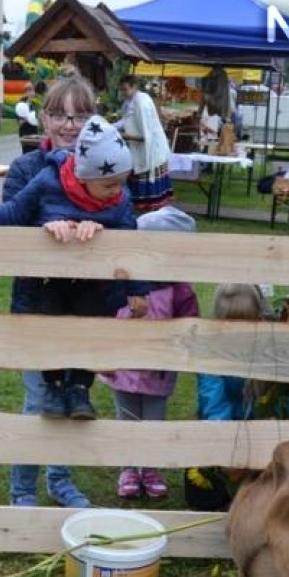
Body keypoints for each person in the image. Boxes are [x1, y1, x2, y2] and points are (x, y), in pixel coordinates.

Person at [0, 116, 151, 423]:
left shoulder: (119, 199)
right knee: (47, 324)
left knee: (91, 325)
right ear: (84, 175)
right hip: (49, 279)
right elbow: (16, 211)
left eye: (122, 182)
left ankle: (79, 388)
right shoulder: (48, 181)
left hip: (93, 284)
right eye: (109, 184)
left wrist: (137, 289)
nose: (117, 191)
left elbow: (129, 244)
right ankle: (52, 386)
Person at [0, 78, 97, 508]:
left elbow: (122, 218)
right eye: (60, 114)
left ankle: (59, 479)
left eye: (80, 116)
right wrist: (45, 230)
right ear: (44, 118)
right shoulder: (26, 169)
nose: (69, 125)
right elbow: (11, 222)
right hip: (35, 302)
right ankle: (22, 491)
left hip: (85, 305)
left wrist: (97, 227)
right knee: (40, 399)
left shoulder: (103, 167)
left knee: (74, 397)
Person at [99, 206, 200, 499]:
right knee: (127, 416)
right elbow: (105, 318)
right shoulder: (121, 282)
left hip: (158, 365)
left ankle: (151, 467)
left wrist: (178, 350)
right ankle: (129, 468)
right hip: (122, 364)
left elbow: (189, 324)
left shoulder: (179, 289)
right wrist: (104, 355)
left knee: (154, 419)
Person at [185, 284, 266, 511]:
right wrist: (228, 450)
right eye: (231, 321)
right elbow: (213, 402)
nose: (238, 328)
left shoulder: (267, 348)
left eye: (246, 321)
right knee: (203, 499)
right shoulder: (210, 352)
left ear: (257, 318)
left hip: (258, 429)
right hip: (222, 429)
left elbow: (277, 400)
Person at [115, 75, 173, 211]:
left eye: (125, 89)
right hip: (138, 149)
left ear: (134, 86)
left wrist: (125, 136)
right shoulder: (131, 102)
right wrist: (110, 127)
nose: (123, 93)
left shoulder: (142, 103)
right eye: (121, 90)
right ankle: (140, 208)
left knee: (145, 180)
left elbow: (146, 136)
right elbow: (125, 121)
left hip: (149, 150)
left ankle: (151, 209)